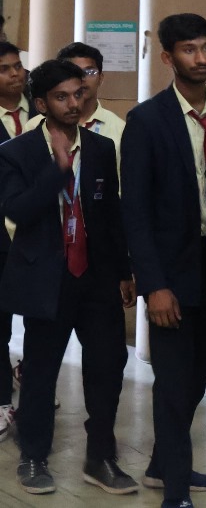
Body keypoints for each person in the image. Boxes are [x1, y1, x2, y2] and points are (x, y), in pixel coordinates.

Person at [121, 13, 206, 508]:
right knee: (174, 385)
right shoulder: (147, 120)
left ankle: (163, 462)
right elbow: (136, 212)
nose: (201, 59)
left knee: (196, 379)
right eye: (189, 50)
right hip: (173, 274)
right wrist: (153, 284)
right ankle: (175, 494)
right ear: (167, 57)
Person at [0, 60, 135, 495]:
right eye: (62, 97)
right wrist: (57, 168)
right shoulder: (16, 152)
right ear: (41, 104)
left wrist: (124, 271)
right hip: (48, 278)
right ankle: (34, 456)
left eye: (78, 93)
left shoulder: (100, 147)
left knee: (107, 367)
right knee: (41, 372)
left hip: (95, 276)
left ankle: (101, 457)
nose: (74, 103)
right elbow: (18, 210)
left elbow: (110, 214)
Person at [0, 38, 24, 439]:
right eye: (5, 69)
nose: (15, 74)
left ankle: (33, 383)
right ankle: (3, 400)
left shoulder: (41, 110)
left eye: (18, 66)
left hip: (41, 235)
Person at [56, 41, 127, 154]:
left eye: (89, 72)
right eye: (74, 72)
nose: (82, 78)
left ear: (100, 78)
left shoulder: (119, 130)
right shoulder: (36, 126)